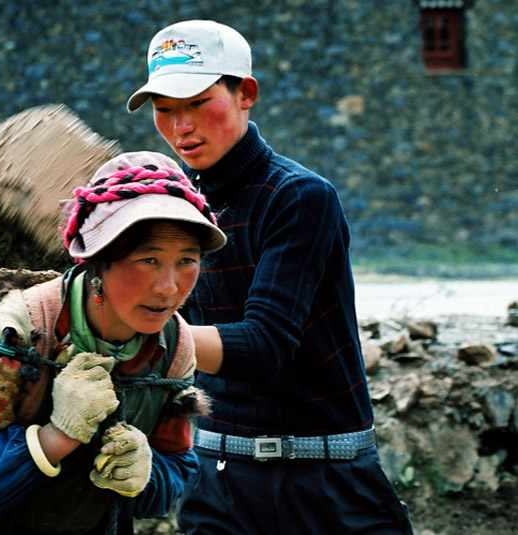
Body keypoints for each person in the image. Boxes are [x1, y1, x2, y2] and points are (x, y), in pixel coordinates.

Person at [127, 20, 415, 535]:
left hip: (328, 478)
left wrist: (134, 330)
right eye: (164, 109)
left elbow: (265, 345)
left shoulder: (299, 197)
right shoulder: (169, 209)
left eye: (196, 102)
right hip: (218, 480)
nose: (180, 126)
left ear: (246, 93)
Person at [0, 151, 227, 534]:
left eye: (187, 261)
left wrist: (145, 472)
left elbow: (176, 470)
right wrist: (55, 438)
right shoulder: (16, 335)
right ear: (98, 261)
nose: (169, 287)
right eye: (148, 260)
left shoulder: (173, 348)